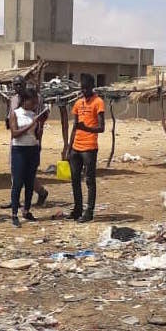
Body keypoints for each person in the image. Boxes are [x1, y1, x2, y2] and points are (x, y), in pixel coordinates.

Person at [0, 76, 49, 209]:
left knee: (28, 172)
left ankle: (41, 192)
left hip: (32, 140)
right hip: (17, 139)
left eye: (19, 84)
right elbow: (10, 117)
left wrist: (38, 137)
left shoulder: (35, 98)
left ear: (24, 84)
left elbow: (42, 117)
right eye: (15, 85)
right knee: (15, 170)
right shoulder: (14, 99)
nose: (17, 87)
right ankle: (14, 200)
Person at [65, 73, 105, 223]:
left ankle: (89, 212)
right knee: (75, 179)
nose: (85, 91)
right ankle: (77, 209)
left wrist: (87, 128)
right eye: (82, 89)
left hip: (89, 148)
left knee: (89, 180)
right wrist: (69, 148)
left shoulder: (98, 102)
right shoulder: (78, 103)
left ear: (92, 87)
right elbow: (75, 127)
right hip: (76, 146)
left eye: (87, 88)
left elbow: (101, 128)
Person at [8, 87, 45, 227]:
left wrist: (39, 125)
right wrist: (31, 124)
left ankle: (27, 210)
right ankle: (14, 214)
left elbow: (36, 135)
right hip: (19, 150)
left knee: (30, 182)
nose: (34, 104)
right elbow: (15, 133)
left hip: (32, 149)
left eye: (36, 102)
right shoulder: (15, 114)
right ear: (25, 100)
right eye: (33, 101)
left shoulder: (33, 114)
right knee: (17, 182)